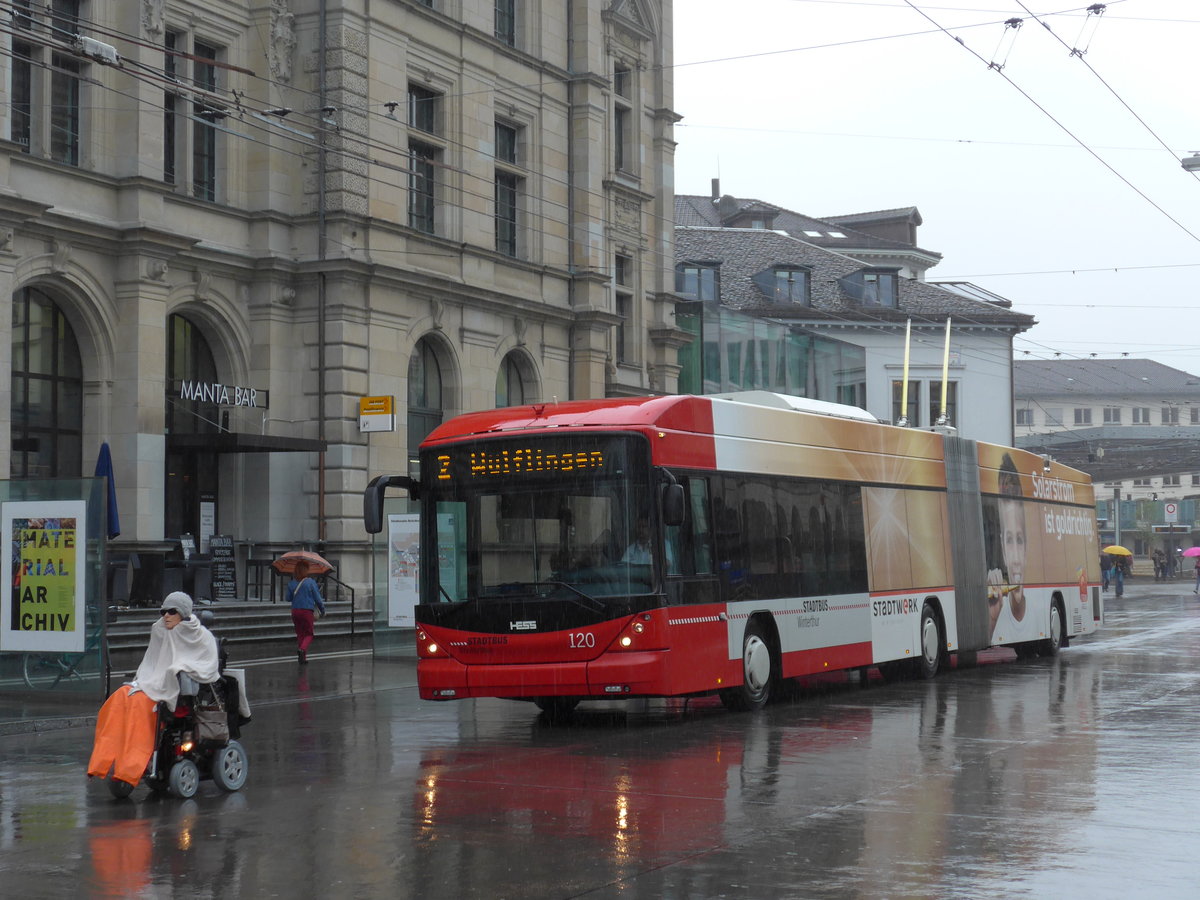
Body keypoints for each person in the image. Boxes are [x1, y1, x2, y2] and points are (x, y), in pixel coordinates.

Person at [88, 592, 220, 788]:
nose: (165, 615)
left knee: (138, 709)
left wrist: (178, 669)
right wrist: (145, 681)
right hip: (151, 683)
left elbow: (206, 665)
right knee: (118, 699)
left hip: (173, 689)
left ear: (183, 613)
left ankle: (130, 767)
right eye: (163, 611)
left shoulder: (201, 636)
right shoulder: (159, 630)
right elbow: (151, 663)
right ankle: (103, 762)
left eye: (171, 611)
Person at [986, 453, 1027, 641]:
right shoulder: (994, 599)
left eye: (1019, 540)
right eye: (1009, 541)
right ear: (1002, 545)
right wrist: (991, 621)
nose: (1016, 559)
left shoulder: (1035, 607)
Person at [286, 559, 326, 664]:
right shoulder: (311, 582)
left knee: (300, 634)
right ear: (306, 570)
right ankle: (302, 649)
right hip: (306, 611)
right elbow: (317, 599)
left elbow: (288, 598)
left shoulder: (291, 583)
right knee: (309, 634)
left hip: (295, 611)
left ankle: (302, 658)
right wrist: (322, 610)